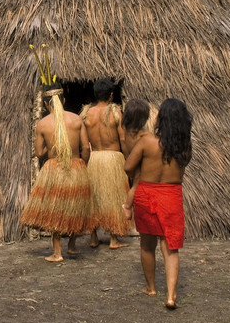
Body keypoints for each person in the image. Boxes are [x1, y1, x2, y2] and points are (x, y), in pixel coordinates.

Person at [123, 98, 192, 309]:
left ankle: (151, 287)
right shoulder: (185, 148)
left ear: (161, 119)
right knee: (170, 247)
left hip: (146, 194)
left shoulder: (148, 142)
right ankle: (170, 295)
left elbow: (128, 167)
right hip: (171, 196)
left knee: (147, 244)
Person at [20, 84, 92, 262]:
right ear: (64, 100)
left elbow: (39, 153)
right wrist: (83, 164)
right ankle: (72, 246)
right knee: (74, 206)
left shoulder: (43, 124)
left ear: (46, 104)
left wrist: (50, 148)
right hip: (76, 166)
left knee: (55, 209)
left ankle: (57, 252)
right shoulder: (76, 119)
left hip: (54, 169)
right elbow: (85, 147)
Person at [82, 78, 131, 249]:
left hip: (94, 159)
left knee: (94, 198)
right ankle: (113, 239)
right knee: (115, 197)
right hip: (113, 158)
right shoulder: (115, 113)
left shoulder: (86, 114)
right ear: (111, 95)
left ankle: (93, 237)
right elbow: (123, 139)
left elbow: (84, 142)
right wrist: (128, 159)